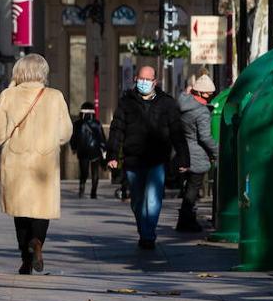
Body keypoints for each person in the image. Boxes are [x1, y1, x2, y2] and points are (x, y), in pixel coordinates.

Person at [0, 55, 73, 274]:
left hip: (16, 163)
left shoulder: (8, 95)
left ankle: (26, 259)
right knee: (41, 211)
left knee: (21, 213)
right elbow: (65, 133)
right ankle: (37, 243)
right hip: (45, 164)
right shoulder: (55, 97)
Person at [106, 65, 190, 249]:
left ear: (155, 81)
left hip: (157, 159)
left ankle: (148, 235)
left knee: (153, 199)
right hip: (133, 159)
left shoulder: (167, 103)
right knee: (137, 201)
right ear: (135, 79)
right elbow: (117, 129)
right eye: (140, 79)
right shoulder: (126, 102)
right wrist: (112, 154)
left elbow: (177, 132)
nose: (143, 82)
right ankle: (144, 228)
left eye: (148, 79)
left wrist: (184, 157)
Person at [176, 73, 218, 232]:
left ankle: (184, 221)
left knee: (188, 189)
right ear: (200, 93)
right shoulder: (201, 112)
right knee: (193, 190)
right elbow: (205, 137)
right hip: (197, 155)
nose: (210, 97)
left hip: (183, 153)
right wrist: (216, 151)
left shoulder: (183, 104)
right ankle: (187, 221)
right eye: (208, 93)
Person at [73, 102, 108, 199]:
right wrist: (104, 148)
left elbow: (74, 137)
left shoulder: (77, 124)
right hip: (95, 150)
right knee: (95, 172)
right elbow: (101, 137)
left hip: (82, 150)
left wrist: (74, 147)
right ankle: (93, 192)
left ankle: (82, 188)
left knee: (83, 171)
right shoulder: (97, 123)